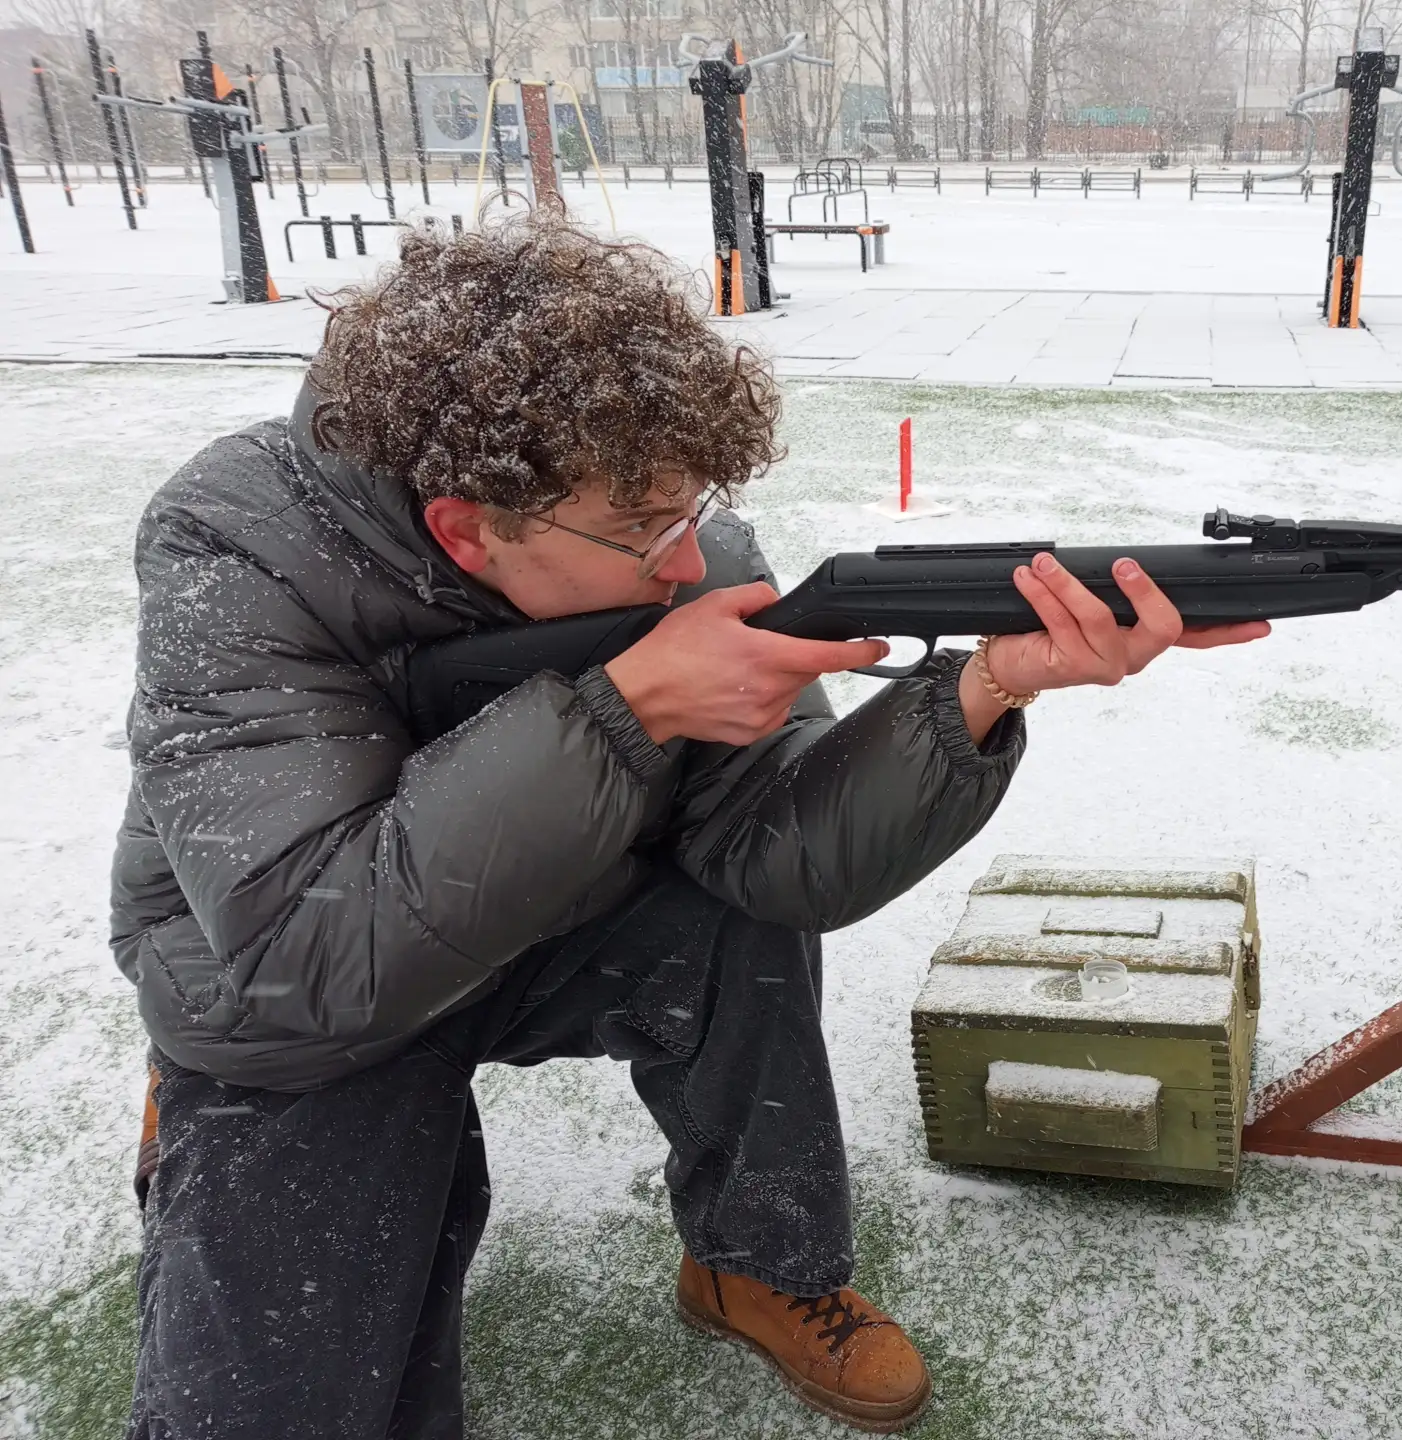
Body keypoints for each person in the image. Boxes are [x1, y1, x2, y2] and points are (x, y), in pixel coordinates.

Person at [111, 217, 1269, 1439]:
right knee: (282, 1402)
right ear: (468, 527)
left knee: (732, 925)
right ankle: (186, 1115)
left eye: (696, 508)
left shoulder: (685, 545)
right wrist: (631, 708)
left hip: (541, 927)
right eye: (644, 527)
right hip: (285, 1000)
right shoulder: (235, 542)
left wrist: (987, 688)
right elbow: (309, 951)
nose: (688, 561)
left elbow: (772, 851)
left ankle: (752, 1259)